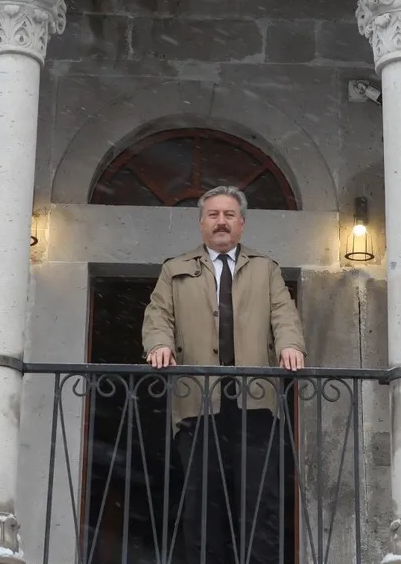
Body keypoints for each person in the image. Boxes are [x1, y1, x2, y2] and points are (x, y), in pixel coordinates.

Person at [142, 185, 306, 564]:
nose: (221, 222)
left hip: (256, 406)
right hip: (198, 406)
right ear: (201, 223)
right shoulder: (174, 270)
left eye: (229, 215)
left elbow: (284, 314)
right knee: (202, 506)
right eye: (213, 215)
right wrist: (159, 345)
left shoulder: (266, 269)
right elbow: (158, 315)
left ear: (242, 224)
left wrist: (290, 346)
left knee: (260, 503)